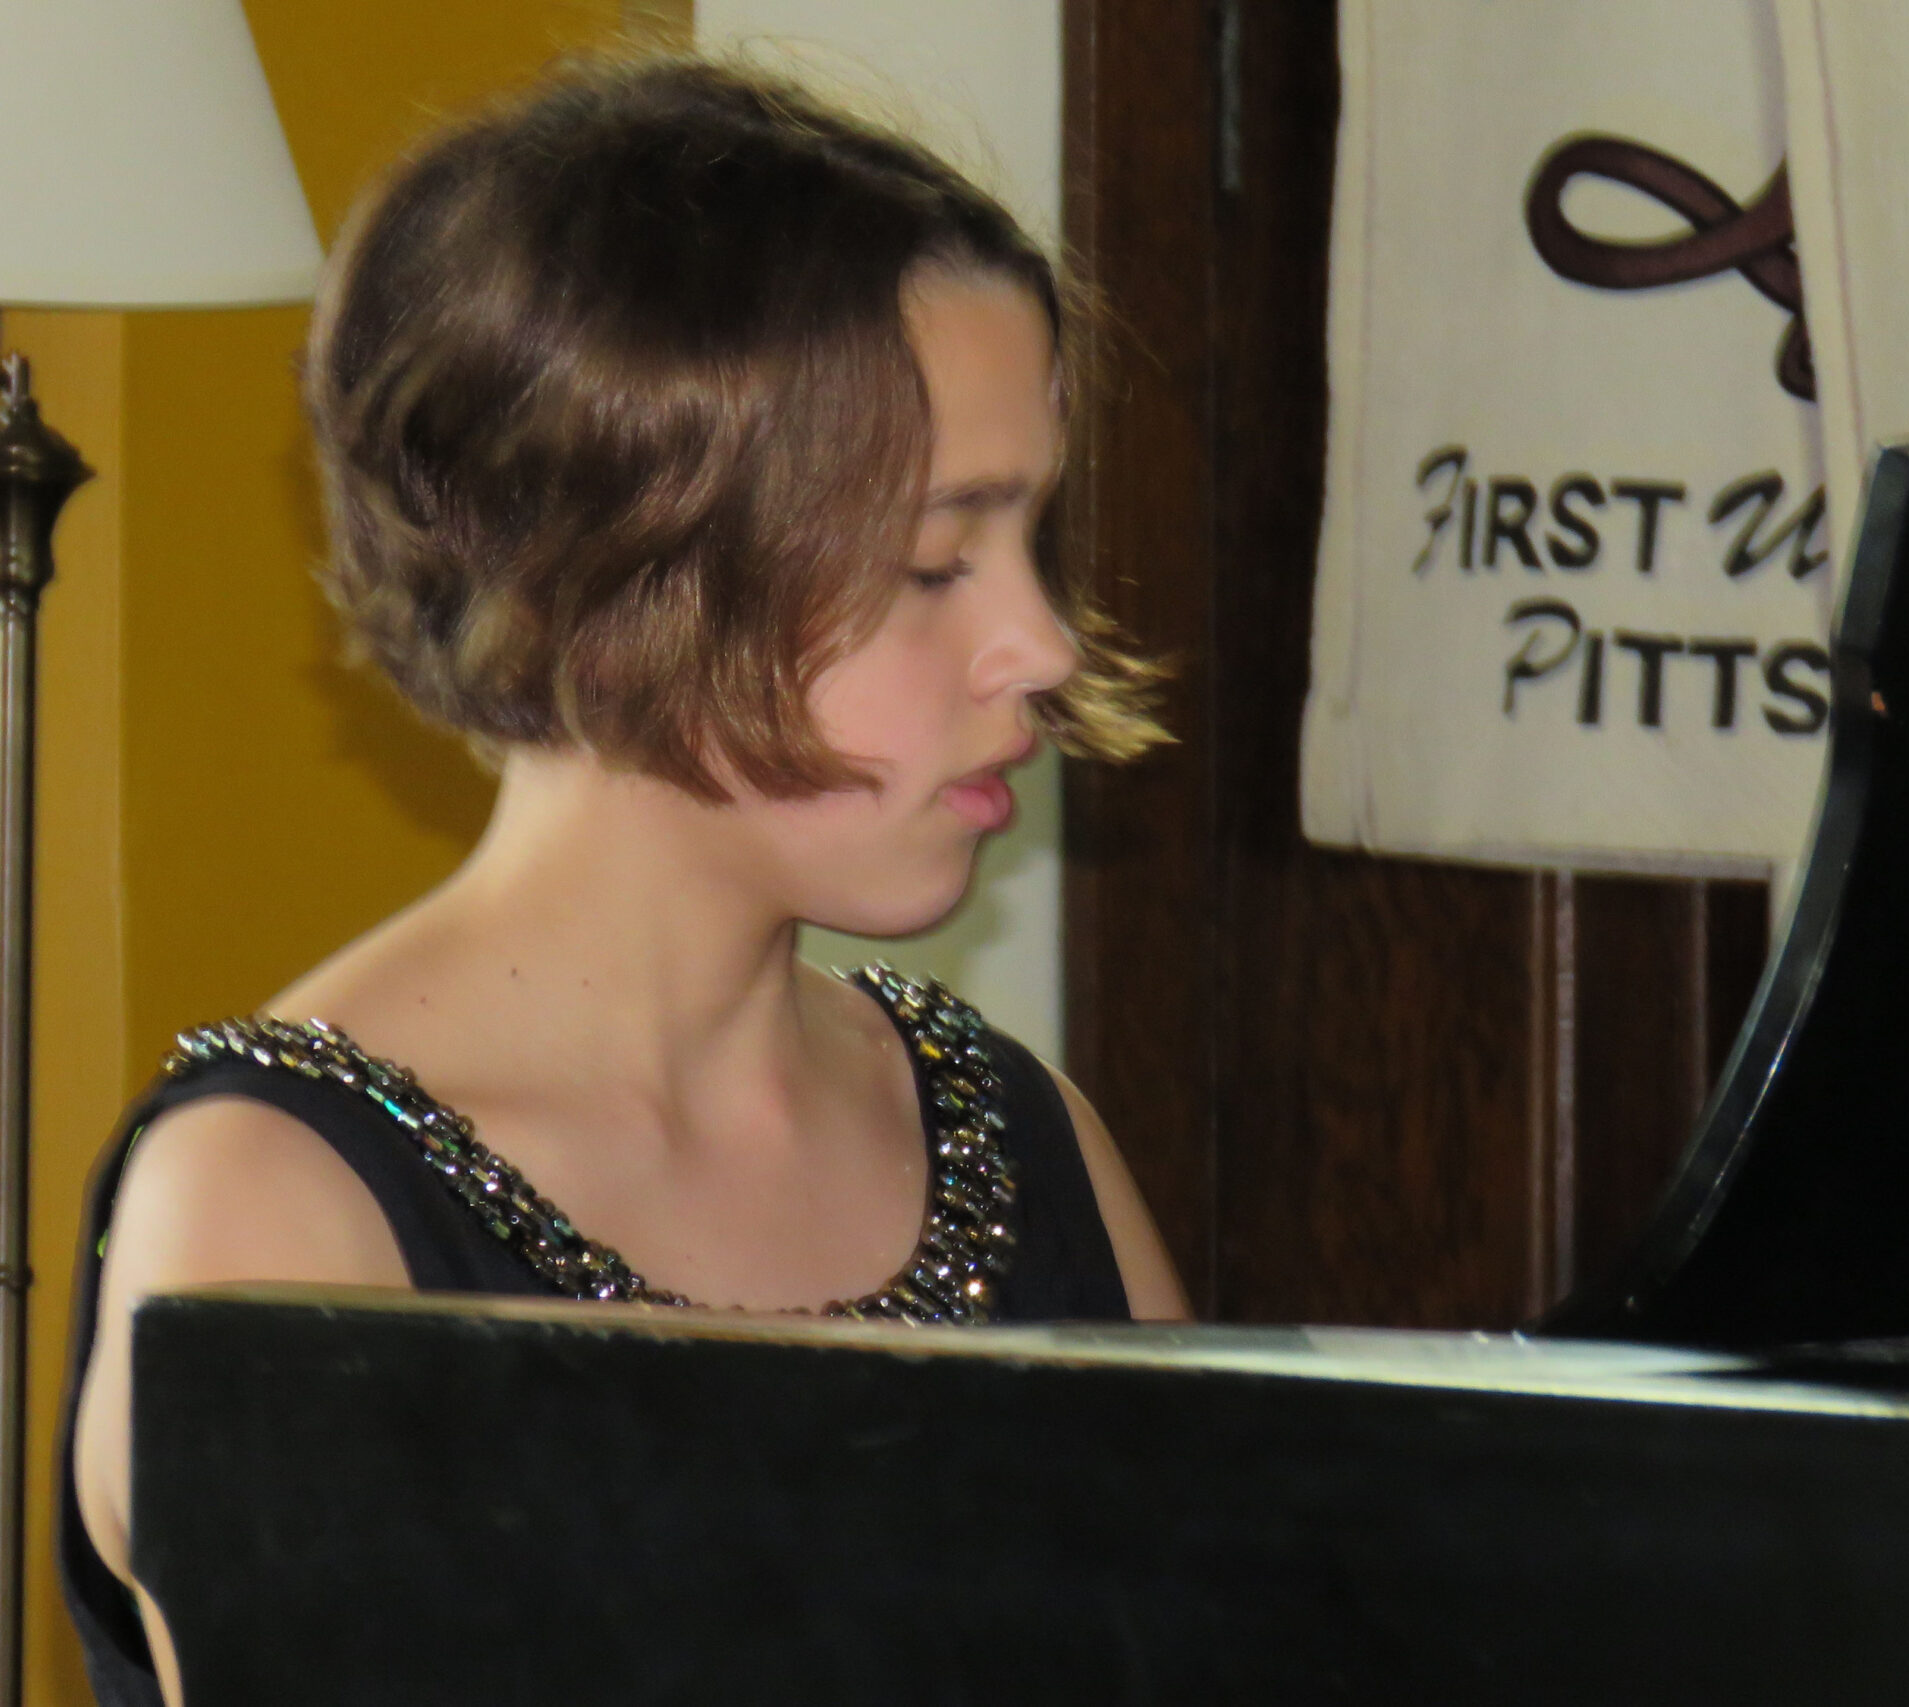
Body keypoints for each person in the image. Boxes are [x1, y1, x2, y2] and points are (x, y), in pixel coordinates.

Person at [57, 52, 1189, 1707]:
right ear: (621, 580)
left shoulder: (1026, 1141)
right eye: (936, 561)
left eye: (1031, 544)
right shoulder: (275, 1215)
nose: (1042, 642)